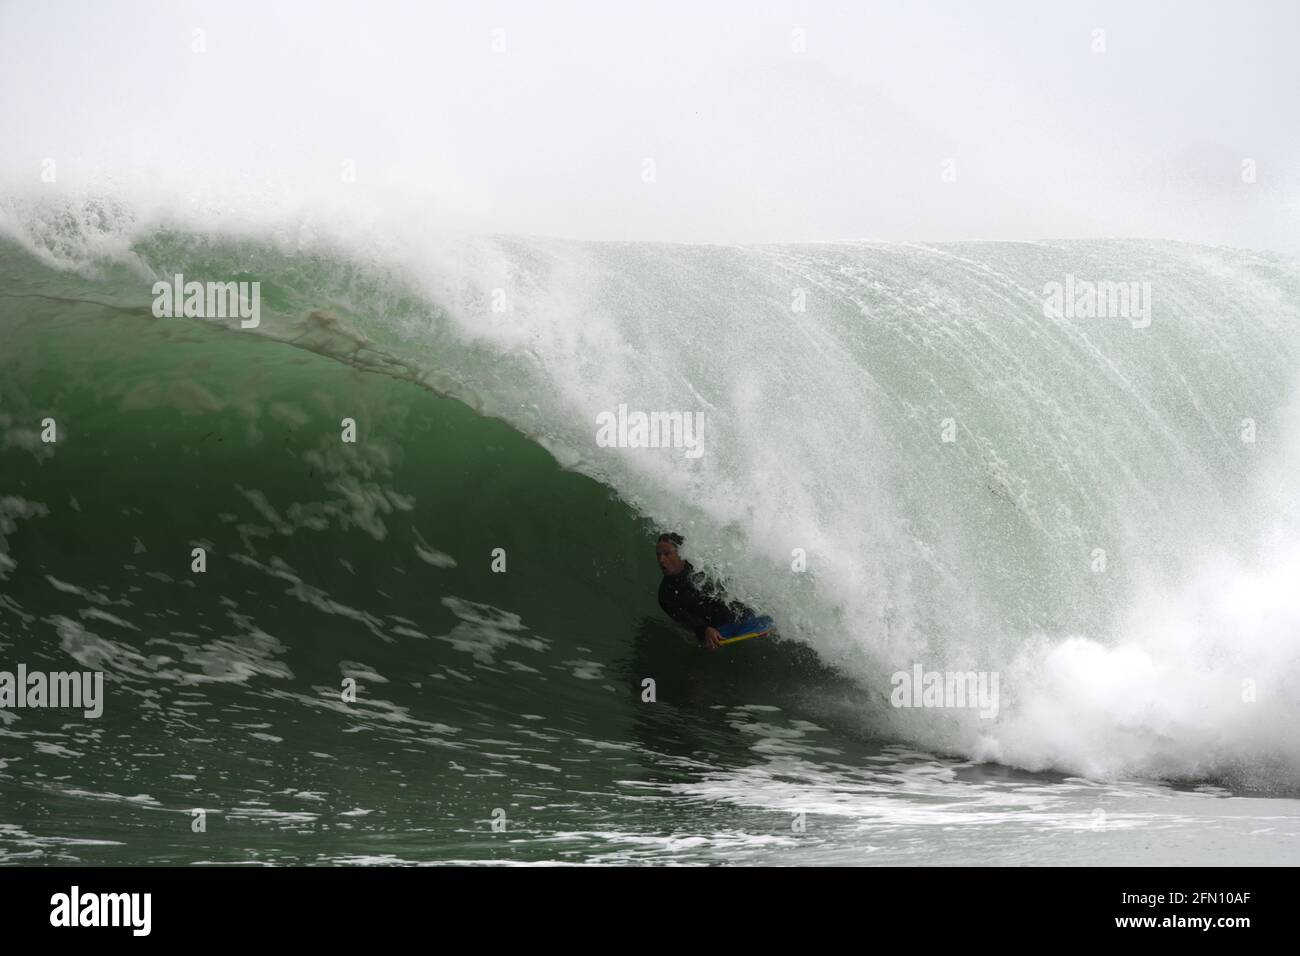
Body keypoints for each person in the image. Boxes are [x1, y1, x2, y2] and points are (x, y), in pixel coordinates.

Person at [655, 533, 753, 650]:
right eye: (658, 555)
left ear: (681, 553)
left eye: (667, 554)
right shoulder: (665, 594)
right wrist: (705, 630)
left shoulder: (700, 565)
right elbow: (686, 621)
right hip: (713, 628)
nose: (661, 560)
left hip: (736, 612)